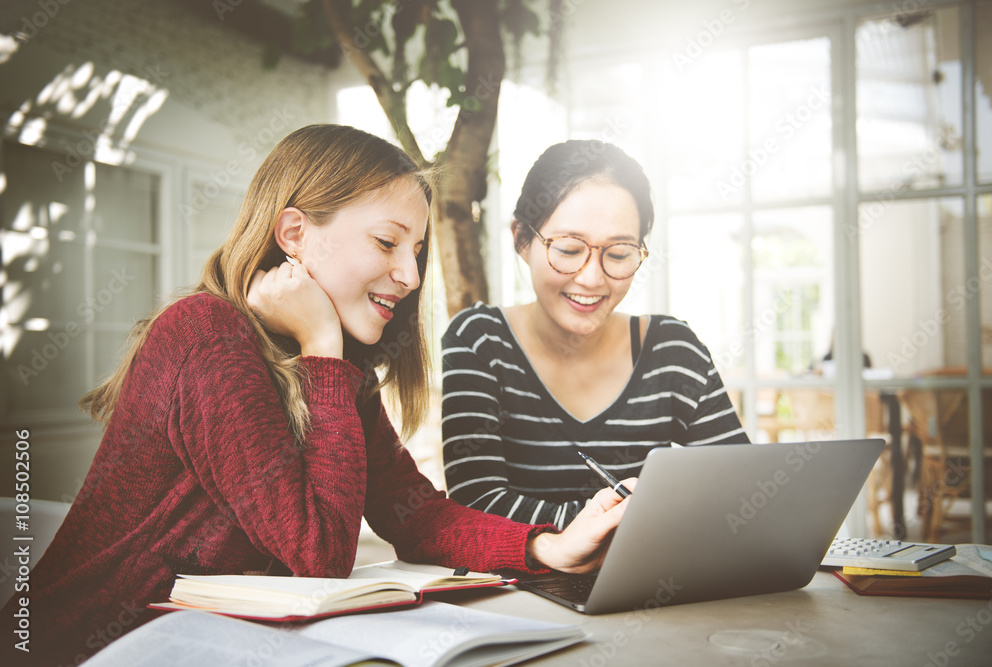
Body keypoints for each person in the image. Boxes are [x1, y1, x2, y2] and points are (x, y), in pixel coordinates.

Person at [5, 125, 631, 666]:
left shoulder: (332, 371)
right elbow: (319, 553)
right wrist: (321, 347)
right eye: (387, 243)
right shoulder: (206, 335)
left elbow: (414, 513)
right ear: (295, 233)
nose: (411, 277)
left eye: (415, 252)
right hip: (81, 652)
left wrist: (547, 544)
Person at [442, 140, 748, 529]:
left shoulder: (672, 351)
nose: (591, 278)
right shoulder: (481, 341)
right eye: (569, 249)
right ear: (522, 238)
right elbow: (476, 504)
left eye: (619, 254)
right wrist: (634, 521)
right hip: (519, 587)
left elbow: (742, 491)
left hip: (649, 583)